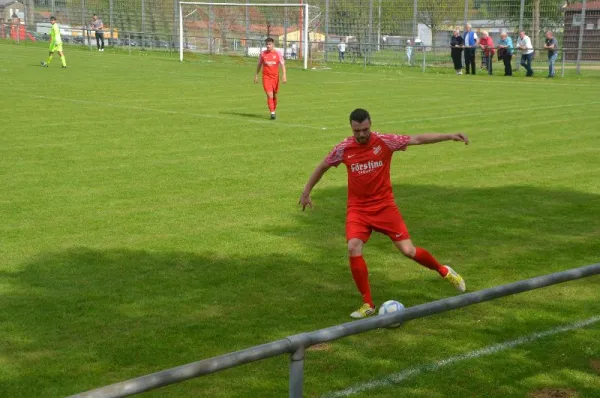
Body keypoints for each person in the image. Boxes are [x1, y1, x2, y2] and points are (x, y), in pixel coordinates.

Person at [298, 108, 468, 319]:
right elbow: (322, 166)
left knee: (409, 251)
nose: (361, 134)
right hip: (358, 209)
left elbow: (417, 139)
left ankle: (444, 271)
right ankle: (367, 304)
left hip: (385, 207)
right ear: (351, 128)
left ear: (371, 124)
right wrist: (306, 192)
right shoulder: (344, 148)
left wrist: (449, 136)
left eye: (365, 129)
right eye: (357, 130)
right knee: (353, 246)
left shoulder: (385, 141)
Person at [254, 37, 286, 120]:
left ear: (273, 44)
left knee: (274, 95)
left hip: (275, 77)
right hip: (266, 77)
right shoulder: (263, 54)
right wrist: (256, 75)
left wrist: (284, 75)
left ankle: (273, 109)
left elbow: (282, 64)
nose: (268, 46)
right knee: (269, 95)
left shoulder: (278, 53)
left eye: (269, 44)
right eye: (267, 44)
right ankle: (272, 113)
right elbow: (259, 65)